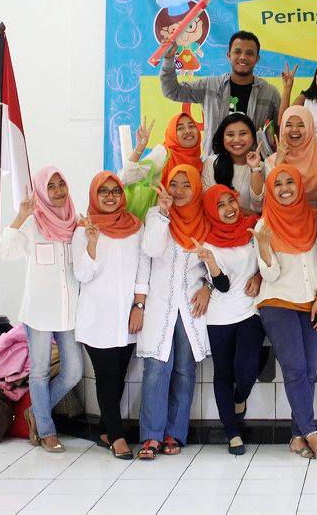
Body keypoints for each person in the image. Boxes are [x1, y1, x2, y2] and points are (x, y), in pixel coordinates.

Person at [0, 167, 83, 453]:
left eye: (61, 184)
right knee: (40, 372)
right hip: (40, 313)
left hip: (69, 312)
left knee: (74, 372)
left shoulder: (76, 223)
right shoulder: (33, 224)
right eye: (50, 187)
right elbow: (0, 251)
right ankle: (46, 430)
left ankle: (35, 411)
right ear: (41, 191)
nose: (57, 191)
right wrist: (21, 216)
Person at [251, 165, 317, 460]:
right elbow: (270, 275)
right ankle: (311, 432)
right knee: (295, 368)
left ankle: (298, 437)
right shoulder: (264, 225)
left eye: (289, 182)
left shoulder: (314, 218)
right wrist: (264, 246)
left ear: (299, 185)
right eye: (278, 184)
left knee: (310, 371)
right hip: (278, 302)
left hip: (311, 303)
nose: (284, 189)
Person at [134, 165, 212, 459]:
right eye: (174, 184)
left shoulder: (206, 220)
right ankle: (151, 436)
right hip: (158, 306)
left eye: (186, 185)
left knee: (184, 369)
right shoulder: (156, 216)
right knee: (157, 368)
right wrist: (139, 304)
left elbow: (217, 264)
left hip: (191, 308)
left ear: (196, 188)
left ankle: (174, 433)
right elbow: (149, 254)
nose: (179, 191)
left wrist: (208, 287)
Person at [72, 172, 144, 460]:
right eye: (103, 191)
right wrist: (91, 243)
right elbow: (82, 274)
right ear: (94, 195)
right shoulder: (84, 230)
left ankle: (105, 429)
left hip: (127, 318)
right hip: (97, 319)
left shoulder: (135, 227)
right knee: (106, 378)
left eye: (115, 190)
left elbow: (142, 269)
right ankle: (117, 437)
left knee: (119, 376)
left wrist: (139, 306)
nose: (110, 196)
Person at [194, 185, 264, 456]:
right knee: (223, 372)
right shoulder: (208, 241)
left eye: (230, 201)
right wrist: (211, 262)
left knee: (247, 368)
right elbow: (221, 285)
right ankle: (232, 433)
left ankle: (239, 397)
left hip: (250, 310)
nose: (228, 209)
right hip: (220, 314)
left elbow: (266, 262)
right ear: (212, 211)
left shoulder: (252, 228)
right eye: (220, 205)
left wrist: (258, 276)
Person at [159, 30, 280, 156]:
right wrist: (168, 59)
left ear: (257, 59)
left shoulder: (269, 93)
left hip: (253, 164)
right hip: (214, 163)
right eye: (237, 52)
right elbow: (172, 91)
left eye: (249, 53)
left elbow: (280, 129)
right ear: (229, 55)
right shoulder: (209, 85)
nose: (243, 57)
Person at [266, 105, 317, 208]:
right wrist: (278, 164)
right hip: (282, 216)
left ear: (310, 128)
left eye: (301, 125)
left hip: (315, 216)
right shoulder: (271, 161)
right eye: (289, 125)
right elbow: (269, 198)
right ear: (282, 128)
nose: (294, 129)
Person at [120, 111, 203, 190]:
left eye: (191, 126)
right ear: (172, 133)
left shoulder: (199, 160)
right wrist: (139, 149)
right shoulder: (164, 153)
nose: (188, 131)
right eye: (180, 128)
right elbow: (123, 178)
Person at [201, 113, 265, 213]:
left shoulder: (261, 166)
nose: (237, 139)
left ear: (253, 137)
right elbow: (209, 203)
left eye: (243, 134)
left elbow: (258, 207)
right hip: (219, 223)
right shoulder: (211, 163)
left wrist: (255, 169)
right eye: (230, 135)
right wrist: (244, 213)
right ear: (222, 138)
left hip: (252, 223)